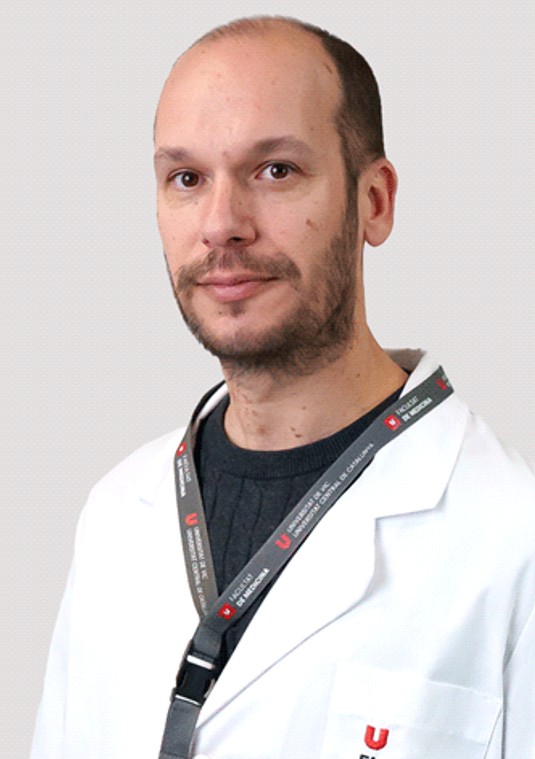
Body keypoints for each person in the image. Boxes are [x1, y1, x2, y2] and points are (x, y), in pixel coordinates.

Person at [31, 15, 535, 759]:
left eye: (274, 171)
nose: (221, 225)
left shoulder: (508, 538)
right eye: (186, 179)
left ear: (374, 202)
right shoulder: (115, 515)